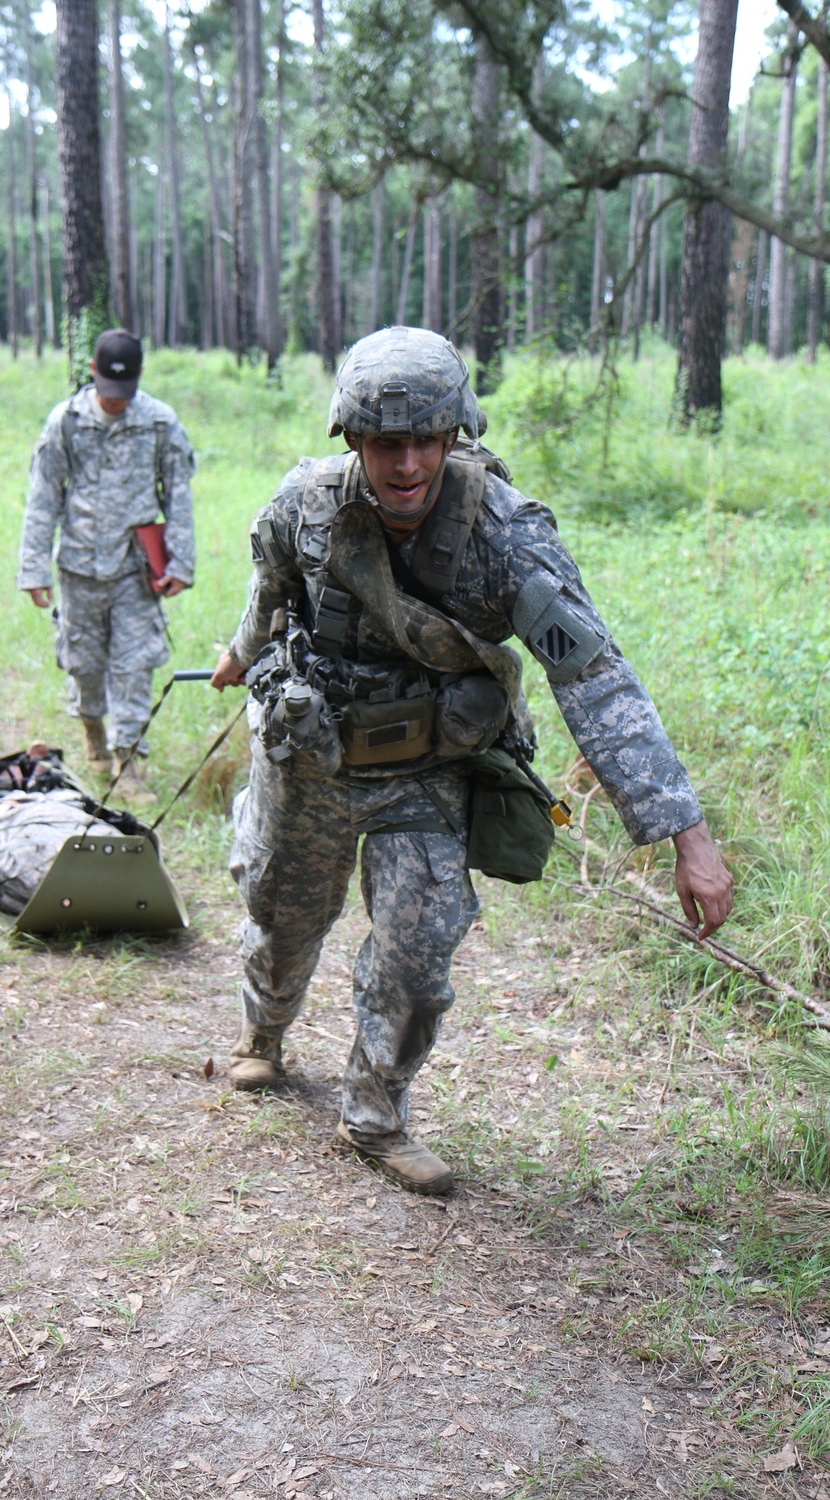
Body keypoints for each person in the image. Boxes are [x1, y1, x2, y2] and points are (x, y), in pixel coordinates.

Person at [211, 325, 733, 1197]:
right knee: (280, 914)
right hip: (312, 764)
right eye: (386, 442)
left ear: (456, 436)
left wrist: (686, 833)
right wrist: (241, 650)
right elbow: (271, 588)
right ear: (353, 439)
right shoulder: (306, 505)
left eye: (425, 440)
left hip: (426, 772)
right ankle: (263, 1034)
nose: (407, 463)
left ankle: (374, 1113)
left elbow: (595, 679)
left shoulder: (505, 536)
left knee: (418, 960)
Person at [17, 329, 196, 802]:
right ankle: (93, 733)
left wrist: (181, 561)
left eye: (126, 392)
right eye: (108, 390)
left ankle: (129, 763)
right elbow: (43, 497)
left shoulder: (159, 422)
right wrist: (33, 569)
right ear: (92, 372)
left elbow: (177, 493)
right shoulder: (67, 422)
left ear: (139, 378)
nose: (116, 402)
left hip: (134, 571)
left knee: (135, 665)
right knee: (85, 665)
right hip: (77, 569)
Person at [0, 743, 124, 915]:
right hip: (66, 811)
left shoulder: (26, 878)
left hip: (22, 815)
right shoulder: (121, 854)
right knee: (59, 802)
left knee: (0, 805)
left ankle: (9, 788)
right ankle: (32, 783)